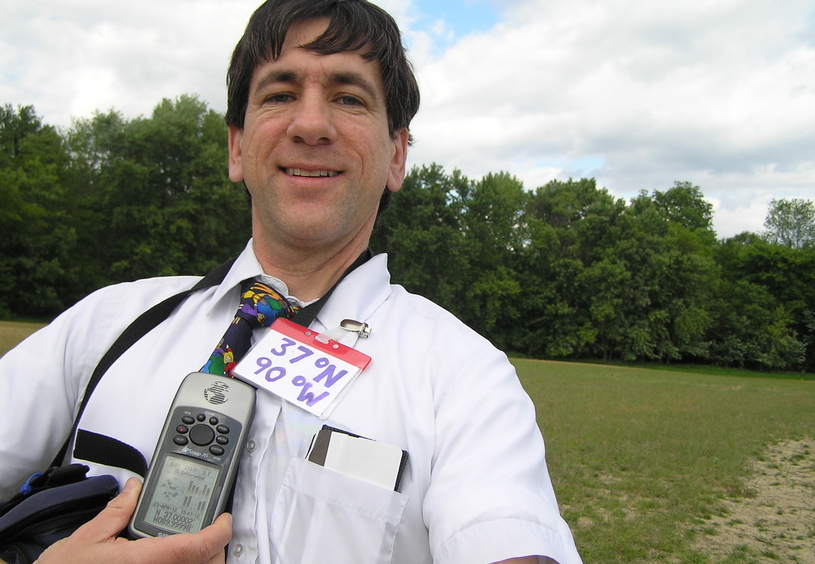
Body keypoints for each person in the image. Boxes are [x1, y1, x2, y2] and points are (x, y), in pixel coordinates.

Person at [0, 1, 583, 563]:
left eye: (349, 97)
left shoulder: (465, 378)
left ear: (397, 155)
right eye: (280, 94)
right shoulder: (104, 327)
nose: (310, 124)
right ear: (236, 147)